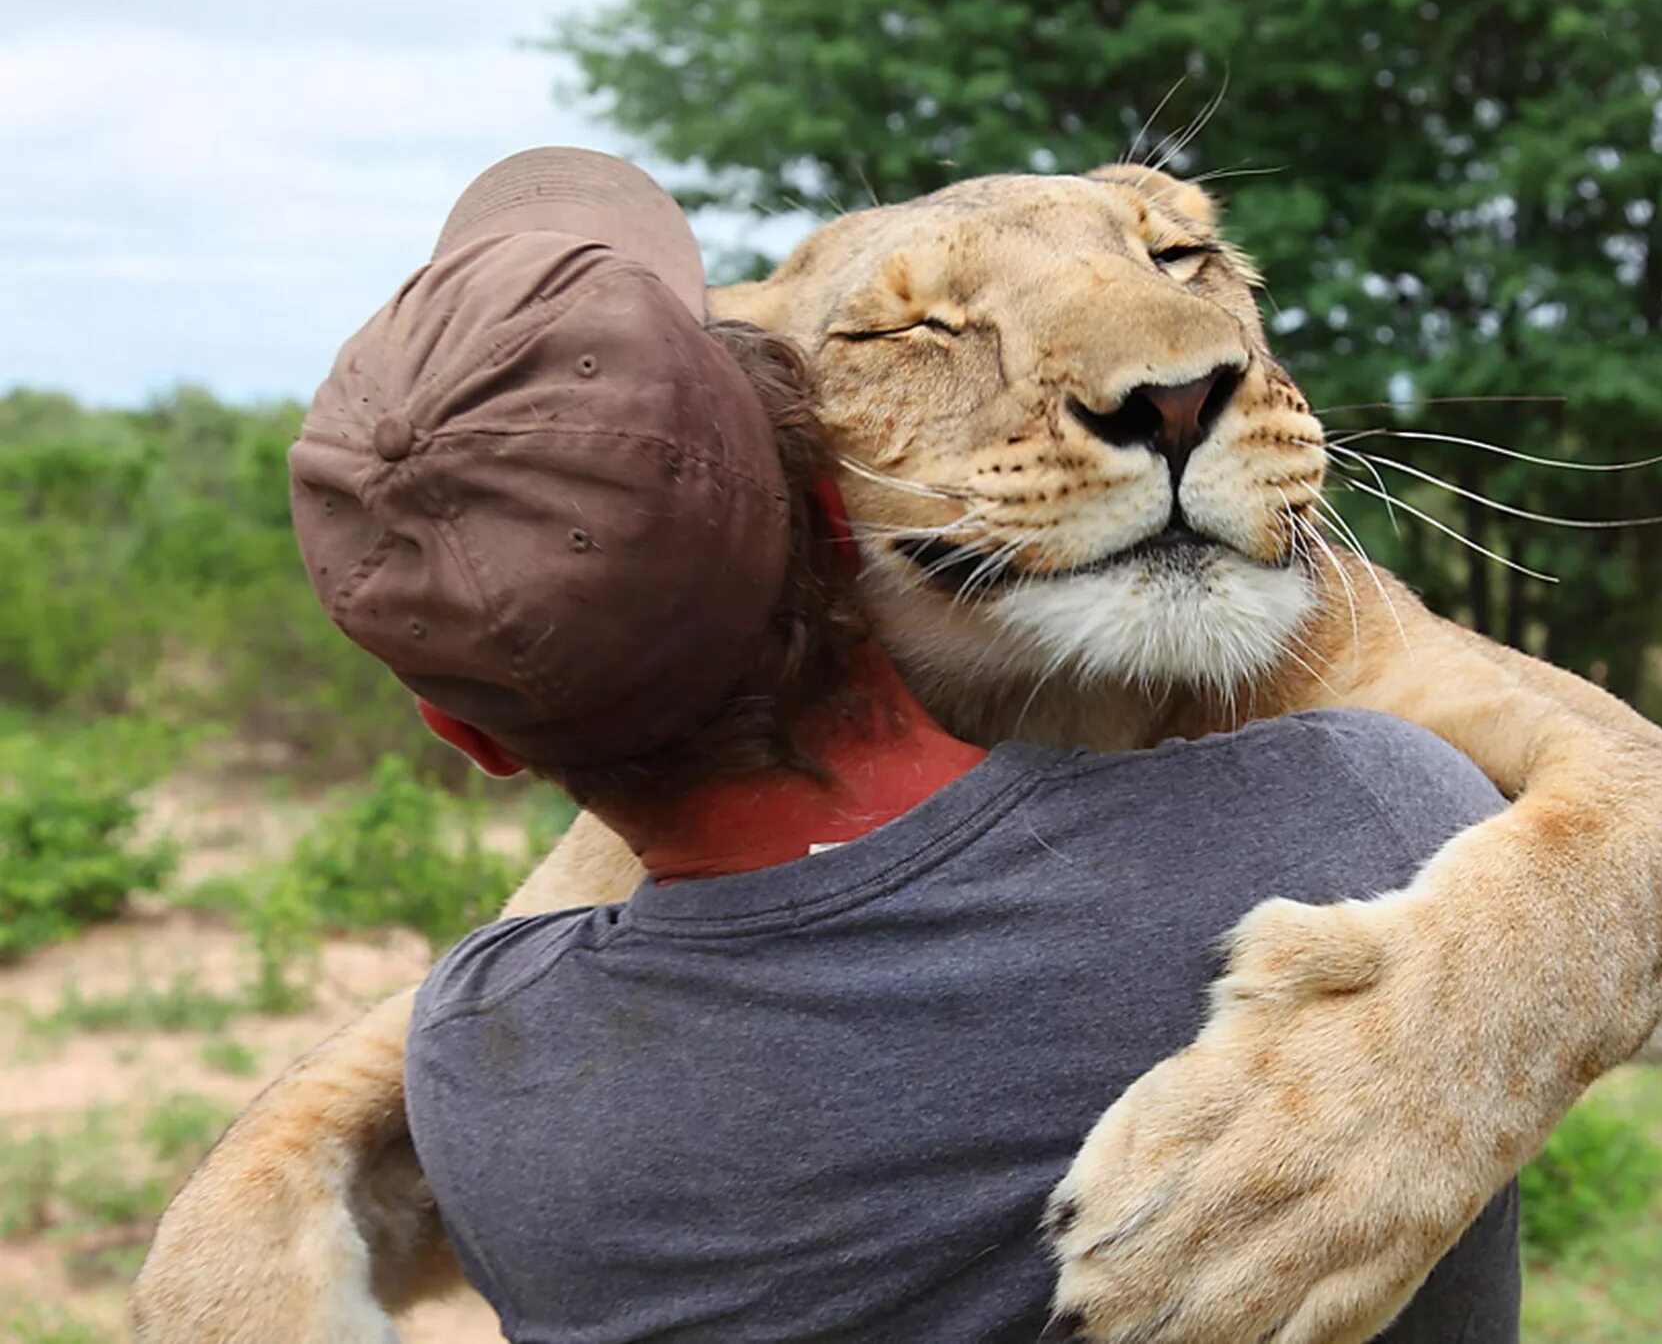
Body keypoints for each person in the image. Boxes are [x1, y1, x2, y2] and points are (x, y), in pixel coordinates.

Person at [288, 147, 1519, 1343]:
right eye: (903, 334)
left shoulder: (479, 1061)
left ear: (463, 734)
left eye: (1185, 258)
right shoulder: (1373, 811)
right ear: (823, 493)